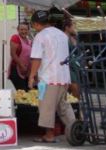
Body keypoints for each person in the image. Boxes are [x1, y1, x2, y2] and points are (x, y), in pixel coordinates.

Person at [28, 11, 76, 143]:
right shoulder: (61, 34)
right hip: (63, 77)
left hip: (48, 78)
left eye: (33, 25)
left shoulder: (40, 36)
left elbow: (36, 58)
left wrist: (32, 76)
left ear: (37, 24)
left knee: (45, 106)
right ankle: (75, 129)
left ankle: (49, 135)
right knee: (63, 105)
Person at [9, 23, 33, 91]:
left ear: (28, 30)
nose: (23, 31)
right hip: (16, 69)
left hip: (26, 71)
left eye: (26, 29)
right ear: (18, 30)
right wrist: (21, 65)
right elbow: (13, 54)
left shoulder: (29, 41)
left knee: (29, 91)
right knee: (22, 92)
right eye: (21, 29)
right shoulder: (15, 38)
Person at [62, 19, 81, 99]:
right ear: (67, 27)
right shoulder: (63, 37)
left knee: (75, 90)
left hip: (75, 66)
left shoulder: (73, 38)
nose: (75, 28)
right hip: (67, 66)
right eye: (73, 26)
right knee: (75, 90)